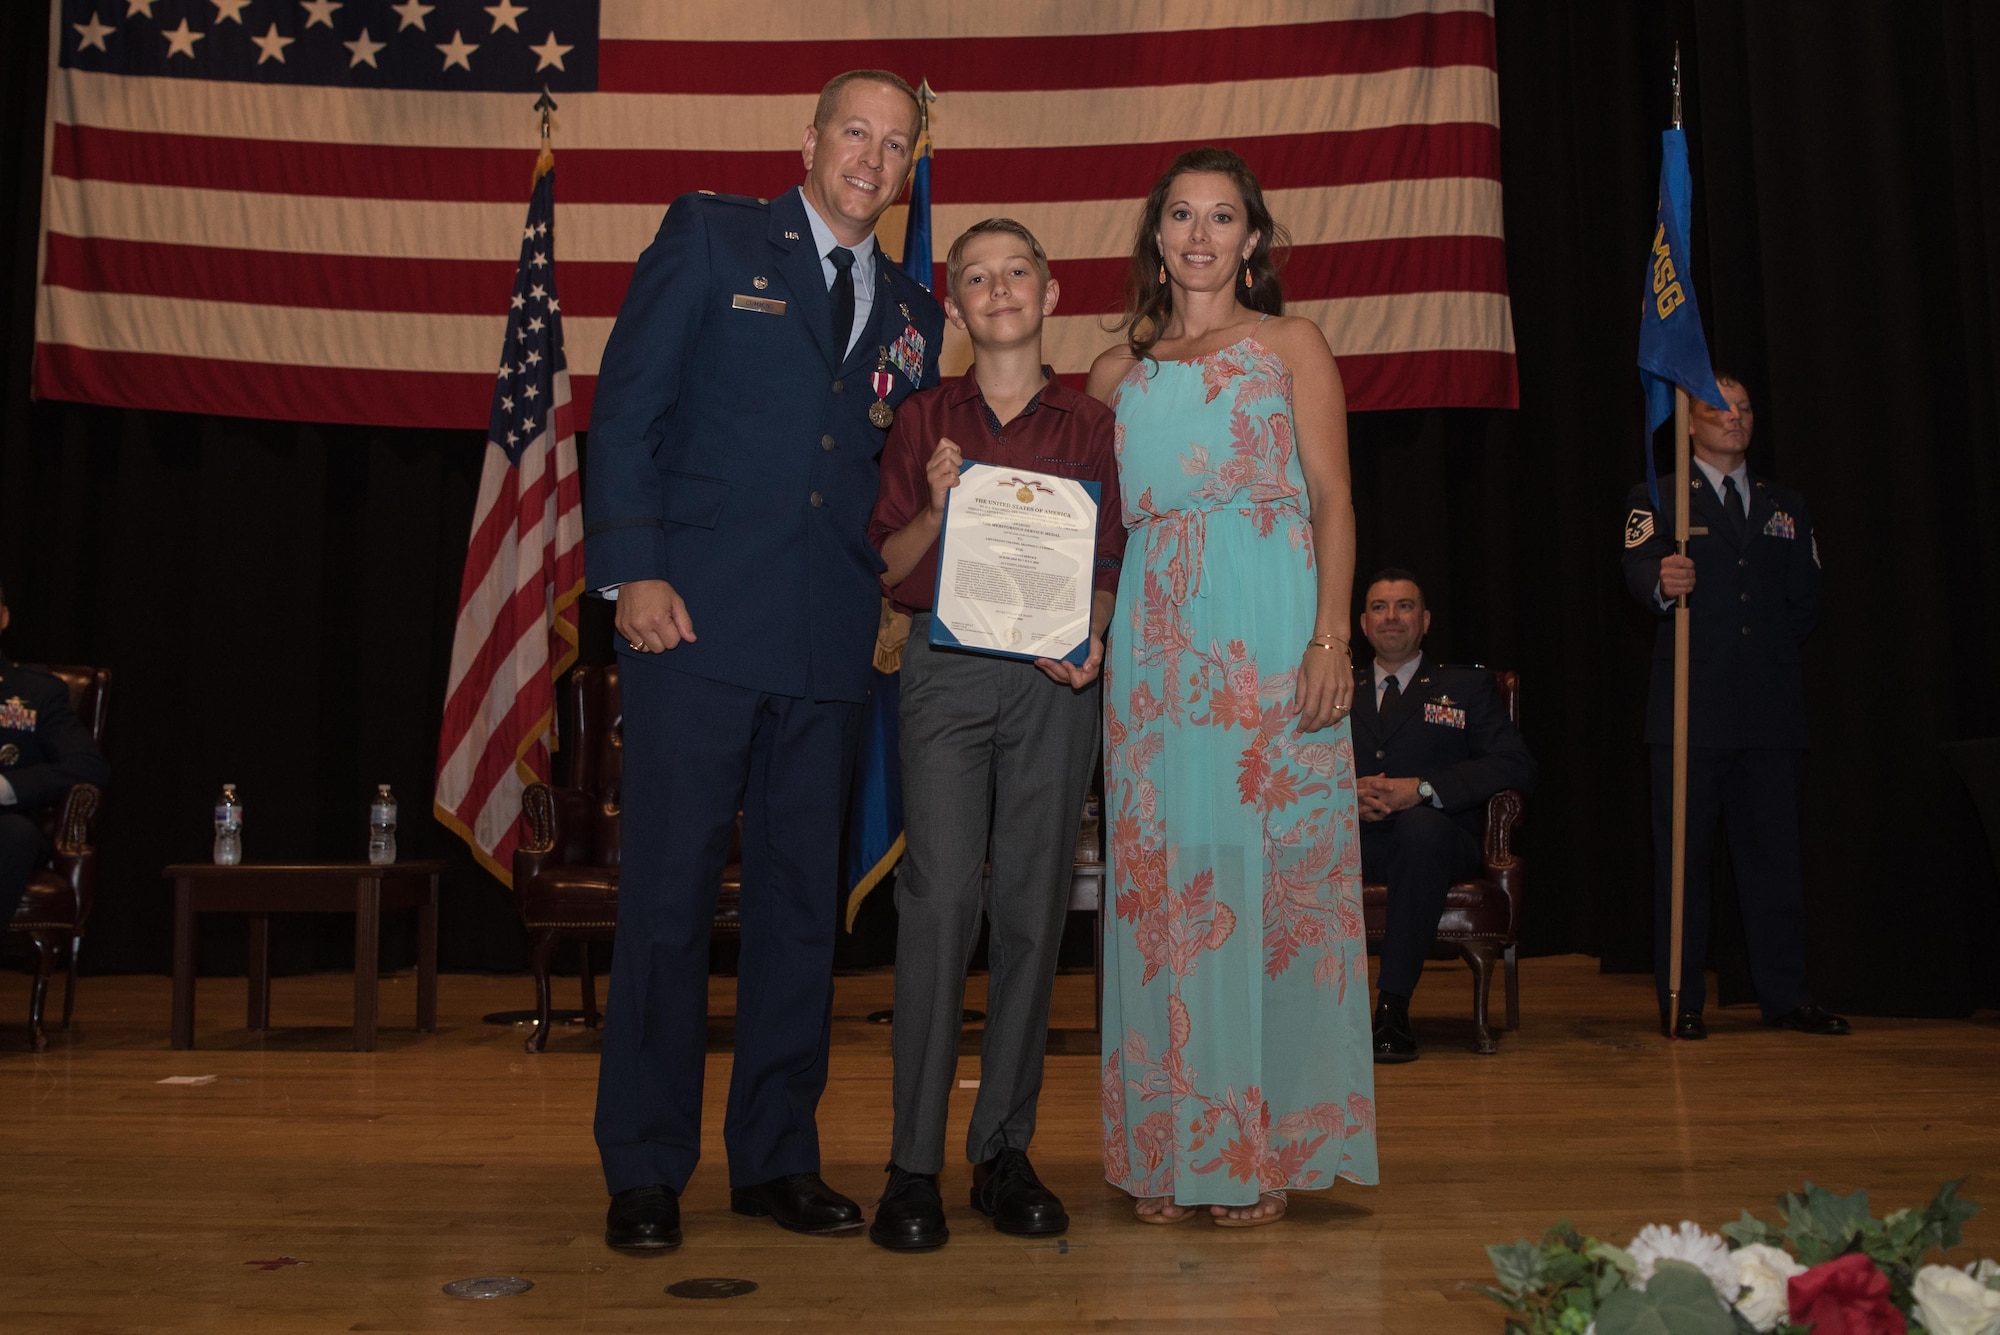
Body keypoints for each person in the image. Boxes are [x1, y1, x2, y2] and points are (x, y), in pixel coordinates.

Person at [582, 69, 946, 1253]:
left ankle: (776, 1156)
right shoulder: (710, 234)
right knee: (668, 905)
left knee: (801, 913)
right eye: (855, 132)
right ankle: (644, 1165)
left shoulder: (911, 311)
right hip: (687, 624)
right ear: (810, 139)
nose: (871, 159)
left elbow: (882, 474)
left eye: (895, 146)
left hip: (828, 639)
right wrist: (632, 568)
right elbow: (627, 408)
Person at [1089, 147, 1377, 1228]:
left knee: (1270, 889)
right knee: (1165, 888)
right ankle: (1167, 1145)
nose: (1199, 235)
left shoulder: (1289, 345)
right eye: (1179, 215)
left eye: (1221, 218)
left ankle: (1257, 1147)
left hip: (1267, 634)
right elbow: (1099, 539)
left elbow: (1331, 499)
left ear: (1251, 241)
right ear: (1154, 236)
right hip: (1153, 660)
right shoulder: (1116, 377)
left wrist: (1327, 640)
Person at [863, 219, 1125, 1251]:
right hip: (943, 672)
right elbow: (888, 566)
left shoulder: (1094, 424)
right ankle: (911, 1164)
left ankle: (1001, 1151)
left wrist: (1094, 636)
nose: (998, 289)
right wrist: (933, 506)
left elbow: (1110, 560)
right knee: (935, 906)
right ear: (956, 307)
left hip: (1054, 682)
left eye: (1016, 272)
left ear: (1050, 292)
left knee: (1030, 905)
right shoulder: (924, 415)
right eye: (975, 277)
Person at [1622, 371, 1848, 1040]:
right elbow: (1636, 570)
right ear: (1690, 421)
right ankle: (1681, 997)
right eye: (1720, 408)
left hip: (1769, 712)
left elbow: (1805, 600)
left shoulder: (1787, 505)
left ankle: (1785, 995)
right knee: (1685, 865)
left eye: (1745, 408)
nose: (1735, 418)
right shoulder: (1660, 498)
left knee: (1775, 860)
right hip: (1690, 710)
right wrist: (1662, 583)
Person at [1348, 569, 1537, 1063]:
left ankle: (1392, 1008)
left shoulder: (1466, 686)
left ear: (1425, 620)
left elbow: (1515, 763)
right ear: (1363, 624)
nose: (1392, 617)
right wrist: (1341, 796)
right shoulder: (1338, 687)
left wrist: (1425, 790)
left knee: (1420, 826)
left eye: (1404, 606)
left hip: (1437, 841)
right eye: (1379, 607)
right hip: (1353, 838)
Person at [0, 581, 109, 925]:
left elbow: (88, 764)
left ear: (3, 619)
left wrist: (8, 787)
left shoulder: (35, 690)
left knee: (15, 835)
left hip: (5, 822)